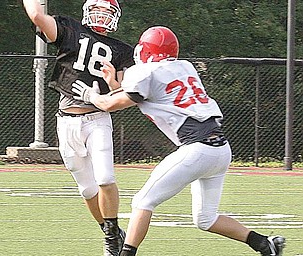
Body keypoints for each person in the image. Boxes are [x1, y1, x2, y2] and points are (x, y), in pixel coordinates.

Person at [71, 26, 286, 256]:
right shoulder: (184, 67)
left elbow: (111, 105)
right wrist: (114, 85)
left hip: (197, 148)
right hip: (220, 149)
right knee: (206, 218)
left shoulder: (145, 73)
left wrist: (91, 96)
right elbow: (134, 96)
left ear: (146, 51)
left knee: (143, 201)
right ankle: (265, 244)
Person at [22, 0, 134, 255]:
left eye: (107, 10)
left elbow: (123, 93)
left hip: (97, 118)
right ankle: (111, 233)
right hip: (66, 121)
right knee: (87, 189)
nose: (102, 15)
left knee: (105, 178)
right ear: (87, 9)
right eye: (98, 8)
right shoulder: (71, 30)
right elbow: (38, 16)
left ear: (115, 16)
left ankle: (113, 241)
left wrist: (111, 82)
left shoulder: (122, 50)